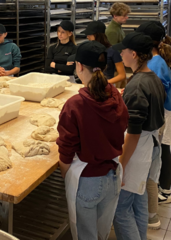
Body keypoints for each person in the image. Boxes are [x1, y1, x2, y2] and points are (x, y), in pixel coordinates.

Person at [57, 41, 128, 240]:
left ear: (79, 66)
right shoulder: (115, 95)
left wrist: (67, 176)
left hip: (87, 180)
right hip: (113, 175)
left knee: (86, 236)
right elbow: (122, 127)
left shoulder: (75, 105)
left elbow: (66, 150)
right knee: (101, 233)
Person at [112, 32, 166, 240]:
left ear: (133, 54)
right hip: (151, 146)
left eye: (123, 51)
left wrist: (122, 165)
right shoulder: (151, 77)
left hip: (138, 150)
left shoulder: (137, 85)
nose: (121, 55)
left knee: (121, 208)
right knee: (138, 201)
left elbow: (133, 134)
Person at [136, 21, 171, 229]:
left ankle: (164, 191)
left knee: (162, 150)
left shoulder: (156, 64)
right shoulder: (157, 59)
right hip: (163, 113)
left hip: (164, 114)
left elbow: (153, 95)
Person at [82, 21, 126, 85]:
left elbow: (122, 75)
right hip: (90, 85)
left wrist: (104, 83)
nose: (87, 37)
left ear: (97, 35)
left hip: (106, 85)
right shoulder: (89, 49)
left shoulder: (112, 51)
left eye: (89, 34)